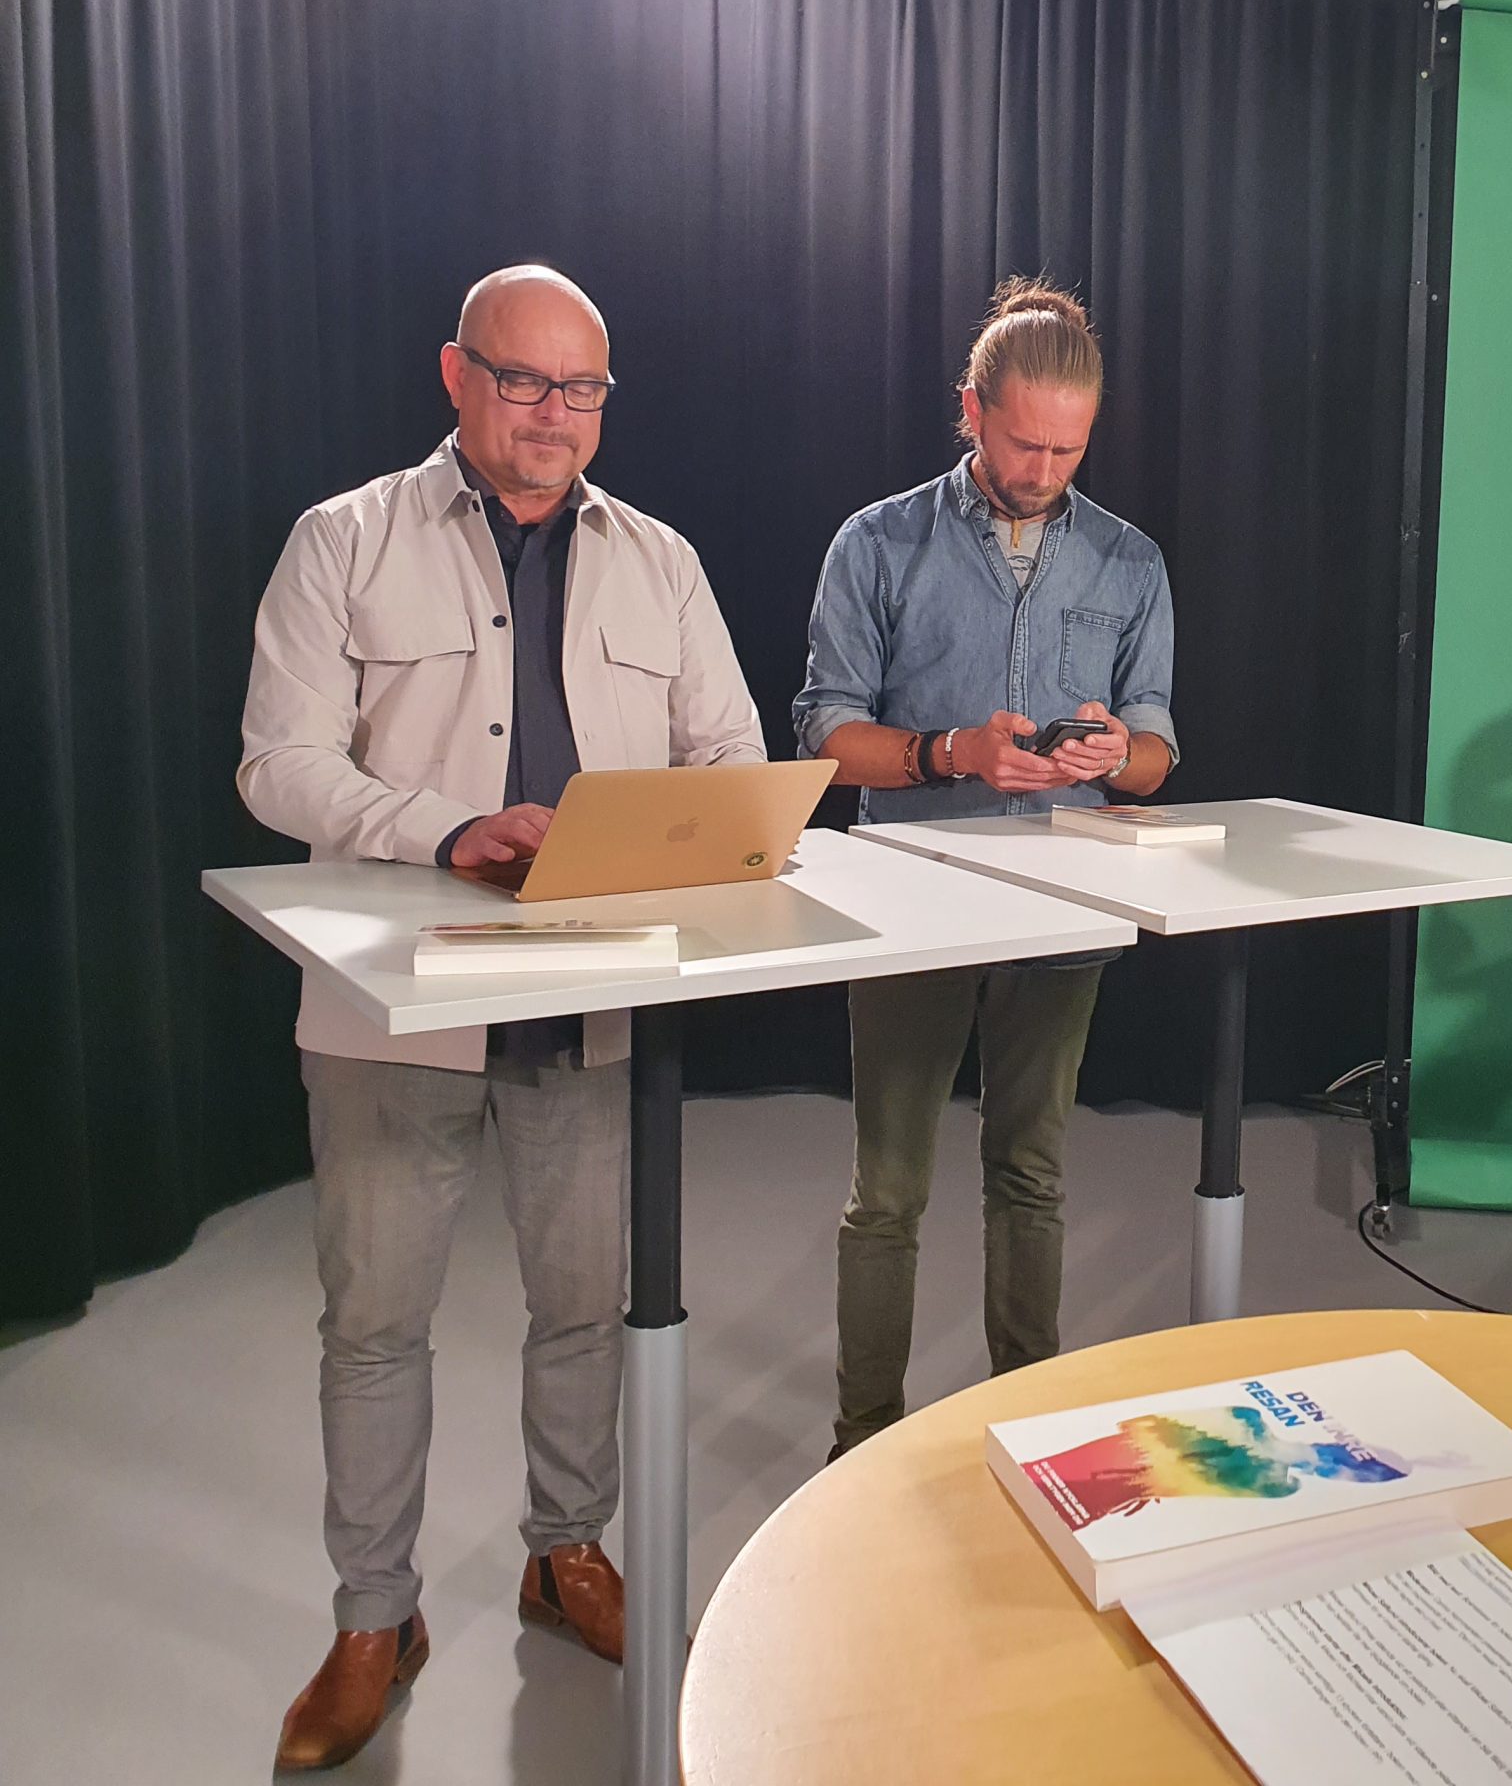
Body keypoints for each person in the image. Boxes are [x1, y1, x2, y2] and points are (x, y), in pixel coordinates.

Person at [237, 265, 765, 1770]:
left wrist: (666, 837)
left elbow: (730, 755)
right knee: (375, 1324)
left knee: (584, 1307)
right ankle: (373, 1620)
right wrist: (446, 829)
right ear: (454, 374)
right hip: (395, 1002)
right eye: (524, 380)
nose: (554, 414)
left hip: (593, 993)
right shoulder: (343, 539)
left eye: (582, 388)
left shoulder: (660, 561)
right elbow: (277, 763)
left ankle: (565, 1554)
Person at [795, 277, 1176, 1458]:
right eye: (1023, 444)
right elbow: (824, 730)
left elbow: (1157, 747)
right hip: (906, 897)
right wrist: (950, 752)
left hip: (1064, 902)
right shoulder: (876, 542)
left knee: (1031, 1173)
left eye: (1068, 449)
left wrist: (1117, 755)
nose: (1043, 470)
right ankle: (863, 1440)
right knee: (888, 1192)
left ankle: (1033, 1432)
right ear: (971, 410)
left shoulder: (1128, 560)